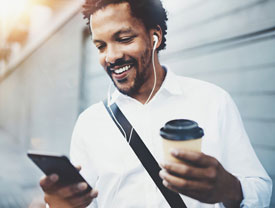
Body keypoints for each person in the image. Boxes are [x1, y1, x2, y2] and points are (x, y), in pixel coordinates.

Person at [39, 0, 272, 207]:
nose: (110, 56)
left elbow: (261, 190)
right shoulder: (89, 123)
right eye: (101, 46)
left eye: (124, 39)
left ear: (155, 37)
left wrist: (231, 188)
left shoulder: (214, 101)